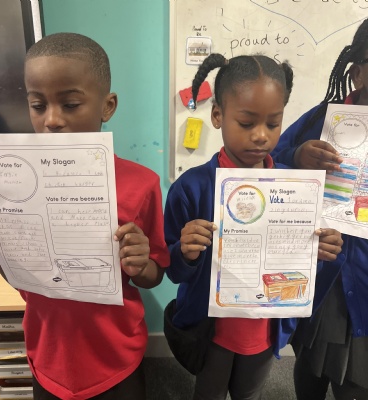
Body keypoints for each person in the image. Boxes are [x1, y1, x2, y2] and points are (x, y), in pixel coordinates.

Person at [0, 32, 170, 400]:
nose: (52, 120)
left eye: (71, 104)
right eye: (37, 105)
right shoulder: (11, 185)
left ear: (107, 106)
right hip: (49, 359)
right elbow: (24, 280)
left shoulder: (141, 184)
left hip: (115, 358)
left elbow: (154, 276)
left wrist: (141, 264)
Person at [164, 53, 344, 400]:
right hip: (211, 331)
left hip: (266, 331)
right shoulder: (191, 188)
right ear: (218, 115)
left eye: (273, 124)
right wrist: (184, 252)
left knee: (250, 395)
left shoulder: (297, 187)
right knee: (209, 394)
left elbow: (302, 268)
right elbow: (172, 270)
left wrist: (320, 251)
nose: (261, 136)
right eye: (246, 123)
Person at [271, 19, 368, 400]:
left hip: (364, 278)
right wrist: (297, 156)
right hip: (322, 270)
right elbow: (268, 162)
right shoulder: (322, 119)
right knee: (310, 364)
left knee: (357, 380)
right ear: (357, 73)